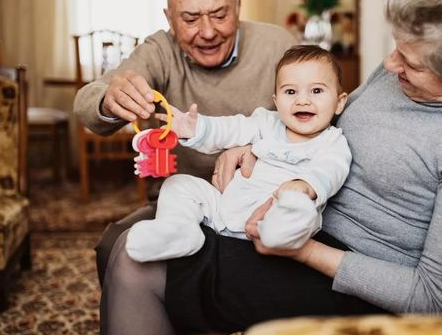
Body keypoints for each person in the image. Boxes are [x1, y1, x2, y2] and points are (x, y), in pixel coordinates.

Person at [100, 0, 442, 335]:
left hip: (347, 275)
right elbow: (326, 129)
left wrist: (306, 251)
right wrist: (258, 147)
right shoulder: (399, 74)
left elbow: (436, 298)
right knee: (132, 238)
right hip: (295, 216)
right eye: (397, 47)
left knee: (138, 266)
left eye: (411, 62)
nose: (389, 64)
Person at [73, 0, 297, 284]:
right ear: (169, 19)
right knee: (114, 248)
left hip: (263, 199)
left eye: (220, 15)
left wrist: (260, 148)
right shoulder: (160, 50)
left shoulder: (278, 45)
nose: (207, 32)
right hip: (182, 203)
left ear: (237, 8)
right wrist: (110, 99)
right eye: (190, 19)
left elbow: (321, 115)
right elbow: (87, 99)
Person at [126, 45, 350, 262]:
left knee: (299, 210)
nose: (302, 100)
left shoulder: (333, 142)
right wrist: (195, 128)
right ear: (276, 100)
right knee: (179, 185)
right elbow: (231, 128)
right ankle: (179, 231)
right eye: (290, 91)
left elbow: (331, 170)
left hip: (275, 215)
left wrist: (304, 185)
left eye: (317, 91)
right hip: (225, 208)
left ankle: (279, 234)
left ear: (339, 102)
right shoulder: (266, 122)